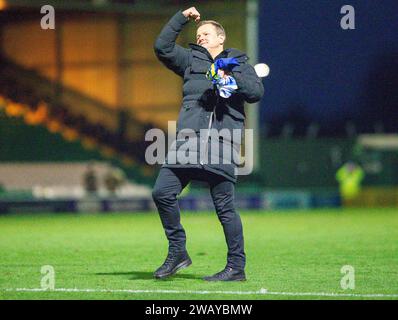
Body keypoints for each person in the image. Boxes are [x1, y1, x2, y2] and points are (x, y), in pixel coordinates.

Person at [152, 7, 264, 281]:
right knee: (161, 193)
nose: (200, 37)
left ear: (220, 39)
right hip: (187, 144)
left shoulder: (238, 62)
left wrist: (228, 77)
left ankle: (236, 267)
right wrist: (180, 17)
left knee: (225, 209)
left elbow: (256, 92)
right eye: (199, 34)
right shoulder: (190, 60)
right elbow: (162, 47)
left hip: (221, 145)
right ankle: (178, 252)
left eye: (206, 34)